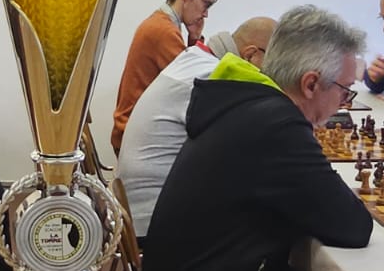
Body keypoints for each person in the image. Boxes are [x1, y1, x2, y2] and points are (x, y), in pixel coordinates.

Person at [141, 6, 373, 271]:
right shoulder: (277, 126)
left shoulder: (247, 102)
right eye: (345, 92)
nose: (345, 103)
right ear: (311, 84)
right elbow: (353, 226)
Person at [118, 16, 276, 239]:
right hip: (154, 222)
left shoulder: (196, 58)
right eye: (273, 65)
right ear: (251, 55)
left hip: (141, 209)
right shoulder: (212, 75)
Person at [111, 0, 218, 154]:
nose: (206, 14)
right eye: (206, 4)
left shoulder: (161, 23)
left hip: (132, 130)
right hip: (135, 136)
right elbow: (195, 85)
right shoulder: (163, 31)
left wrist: (194, 38)